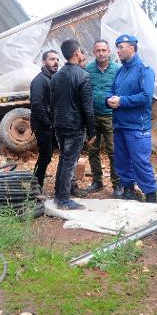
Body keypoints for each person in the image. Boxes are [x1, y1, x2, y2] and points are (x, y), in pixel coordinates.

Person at [106, 34, 157, 203]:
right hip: (120, 124)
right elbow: (112, 90)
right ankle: (128, 190)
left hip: (137, 126)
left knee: (140, 161)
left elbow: (146, 97)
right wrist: (108, 99)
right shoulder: (120, 71)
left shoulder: (144, 70)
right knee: (122, 160)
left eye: (121, 47)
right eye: (117, 47)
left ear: (132, 48)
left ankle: (150, 195)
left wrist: (121, 101)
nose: (118, 50)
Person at [50, 39, 95, 210]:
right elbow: (87, 108)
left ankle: (58, 194)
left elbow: (52, 103)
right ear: (77, 53)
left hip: (59, 124)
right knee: (69, 162)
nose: (83, 55)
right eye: (81, 52)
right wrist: (92, 132)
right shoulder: (83, 76)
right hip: (74, 126)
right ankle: (63, 199)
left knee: (64, 159)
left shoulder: (56, 76)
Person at [84, 40, 122, 197]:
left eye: (103, 50)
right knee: (93, 150)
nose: (101, 53)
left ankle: (117, 184)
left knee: (113, 151)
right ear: (94, 52)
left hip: (110, 116)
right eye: (98, 50)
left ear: (109, 52)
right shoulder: (88, 69)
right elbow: (85, 91)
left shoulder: (117, 70)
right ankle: (97, 181)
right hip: (92, 116)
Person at [30, 50, 60, 189]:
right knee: (45, 157)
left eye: (57, 59)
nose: (55, 62)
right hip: (43, 125)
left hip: (50, 124)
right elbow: (37, 105)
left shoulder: (52, 78)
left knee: (47, 156)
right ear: (44, 62)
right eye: (52, 59)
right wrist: (48, 124)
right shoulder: (39, 80)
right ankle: (35, 186)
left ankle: (36, 184)